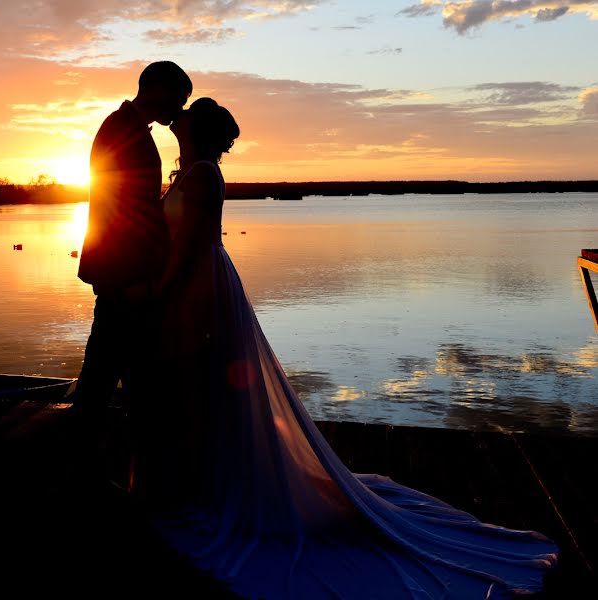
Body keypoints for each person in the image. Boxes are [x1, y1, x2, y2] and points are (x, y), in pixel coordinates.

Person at [132, 97, 559, 599]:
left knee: (204, 386)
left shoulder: (202, 174)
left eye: (185, 112)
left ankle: (219, 491)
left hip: (198, 289)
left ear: (195, 127)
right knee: (200, 390)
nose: (175, 116)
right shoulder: (191, 171)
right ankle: (206, 483)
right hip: (198, 284)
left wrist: (155, 296)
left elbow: (184, 250)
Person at [71, 61, 192, 476]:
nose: (180, 108)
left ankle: (116, 469)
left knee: (114, 373)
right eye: (179, 98)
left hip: (124, 274)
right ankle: (92, 469)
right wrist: (132, 280)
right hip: (124, 276)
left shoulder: (128, 127)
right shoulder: (123, 130)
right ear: (157, 89)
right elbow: (118, 210)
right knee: (112, 377)